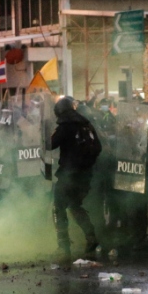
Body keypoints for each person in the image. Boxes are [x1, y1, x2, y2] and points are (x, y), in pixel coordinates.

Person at [51, 96, 101, 262]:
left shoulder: (66, 126)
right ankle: (91, 238)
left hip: (69, 174)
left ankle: (63, 246)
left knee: (58, 207)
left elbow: (50, 144)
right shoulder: (87, 125)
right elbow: (98, 147)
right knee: (74, 205)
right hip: (85, 175)